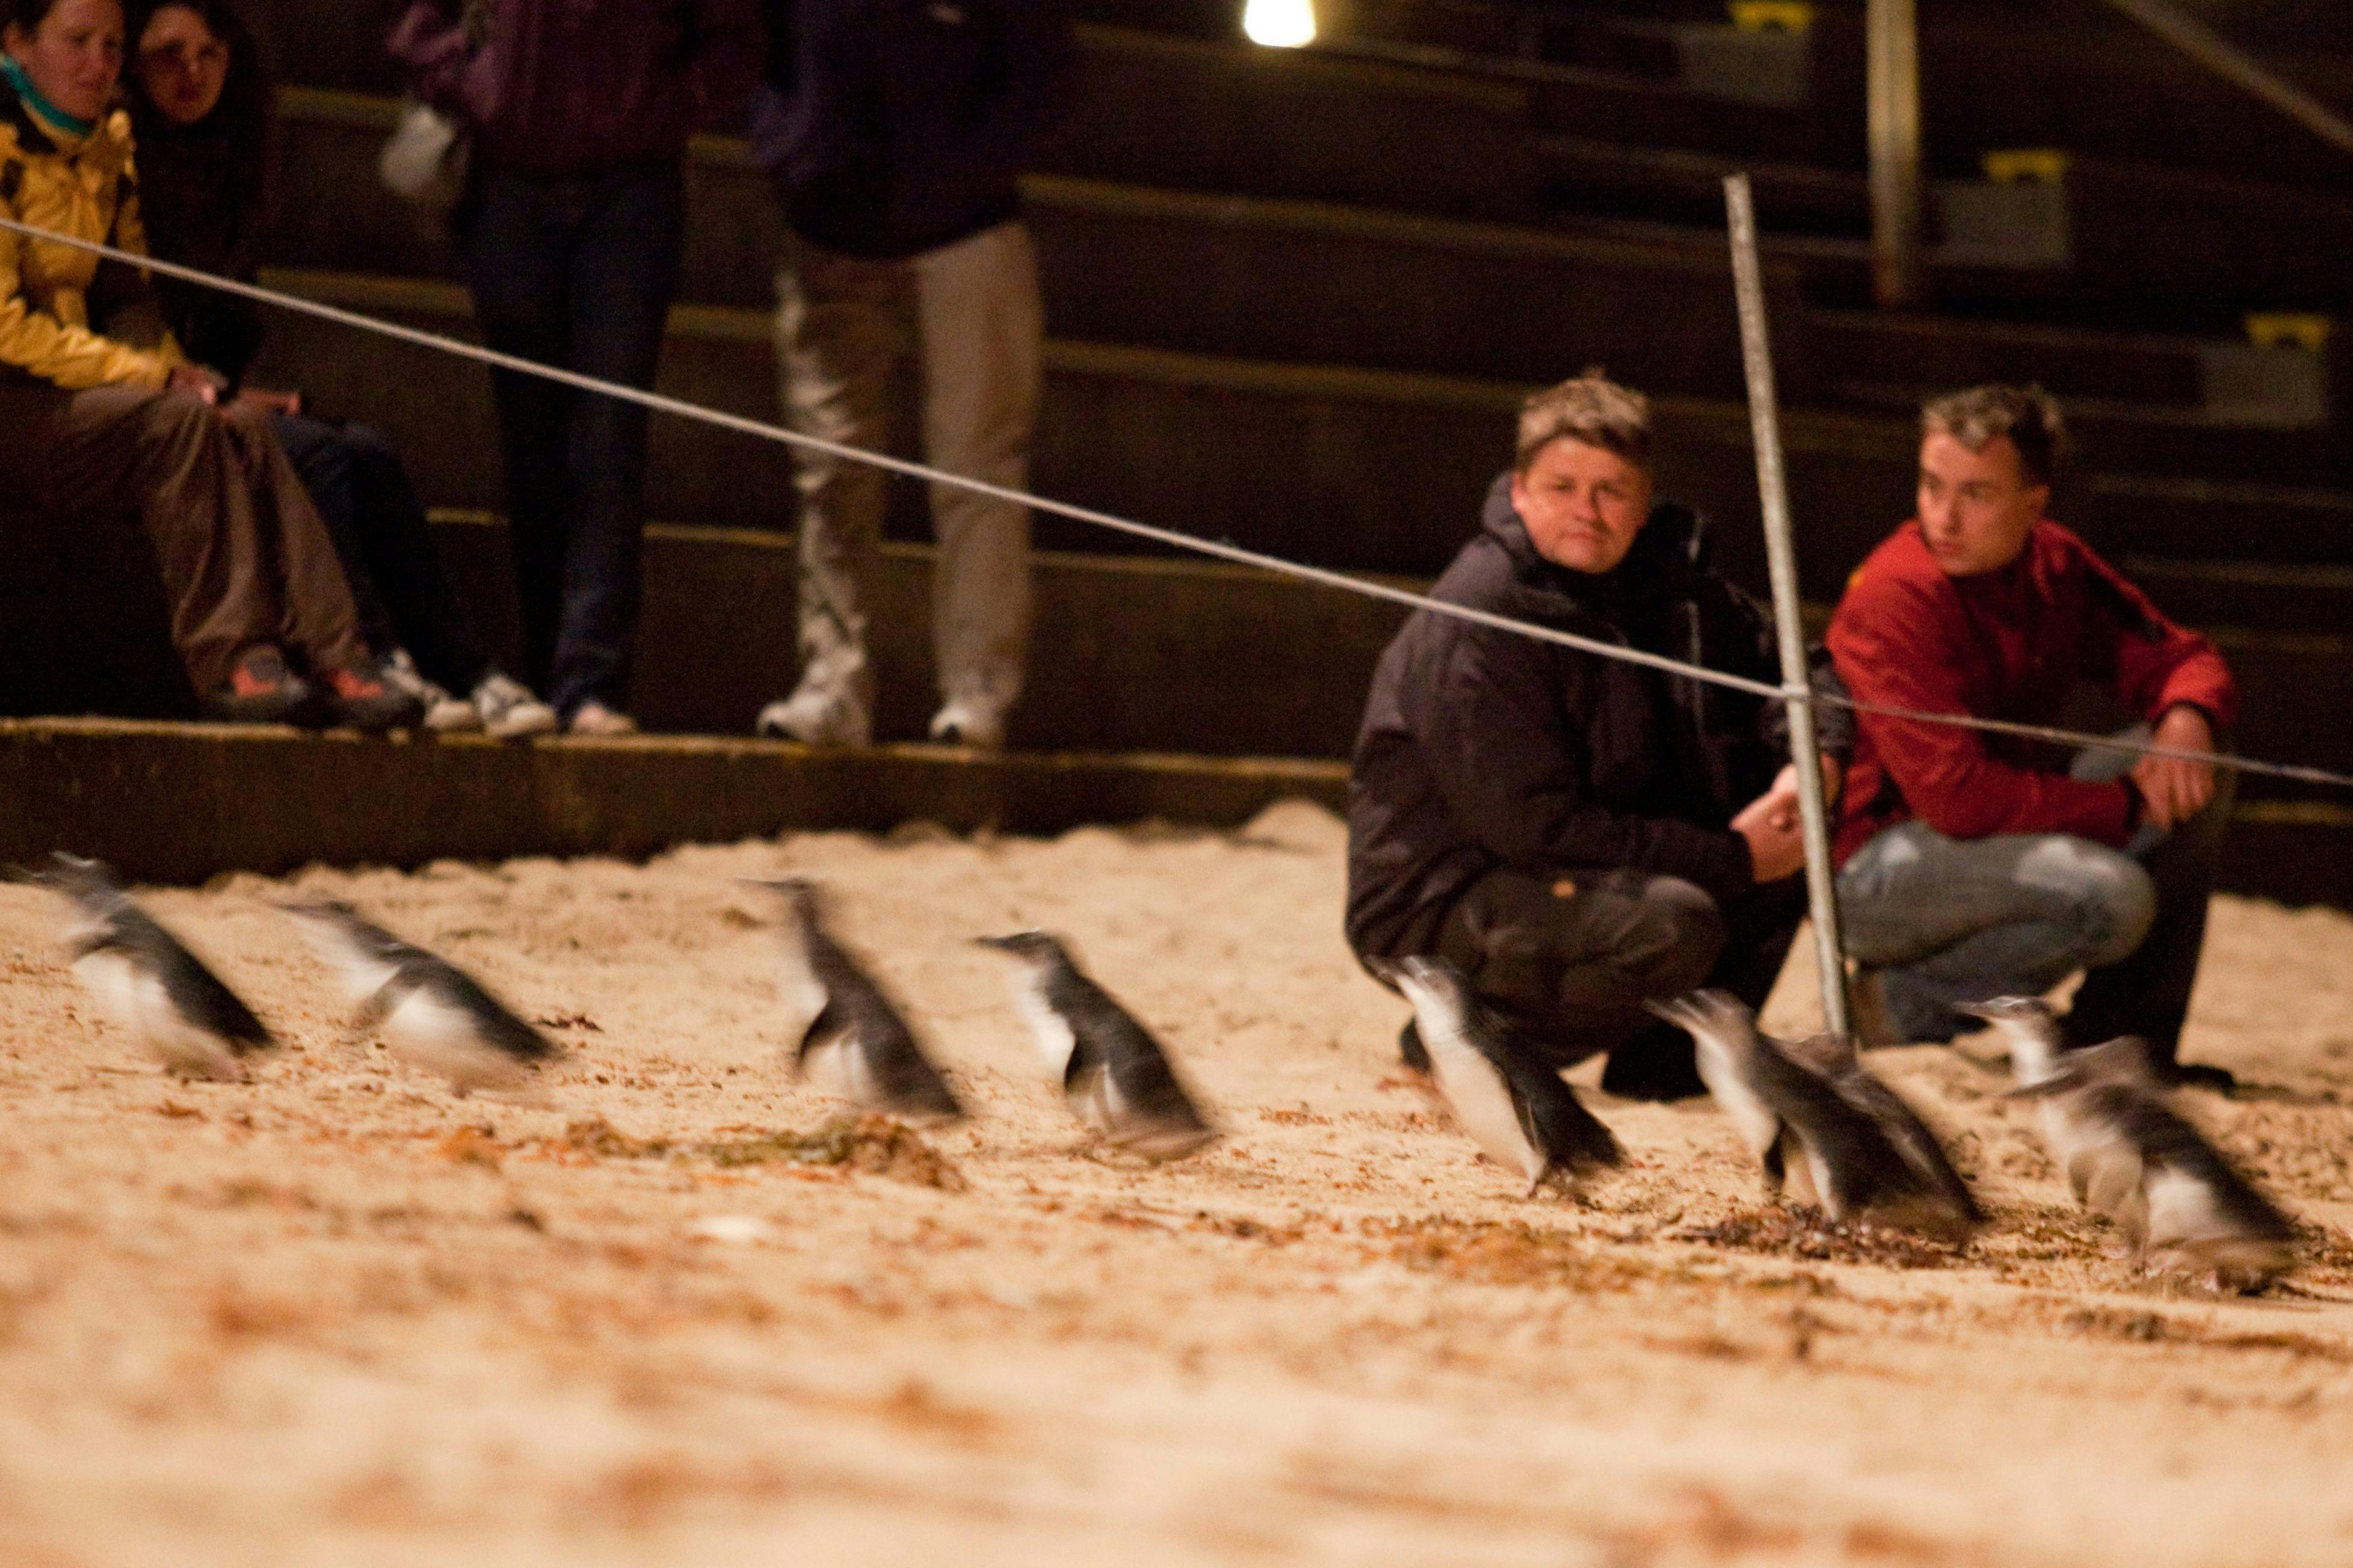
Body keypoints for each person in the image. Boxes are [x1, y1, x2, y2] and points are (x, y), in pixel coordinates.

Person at [1346, 373, 1852, 1100]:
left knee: (1787, 845)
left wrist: (1816, 764)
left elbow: (1797, 671)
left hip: (1574, 856)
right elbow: (1535, 828)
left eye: (1610, 491)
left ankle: (1663, 1073)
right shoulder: (1481, 616)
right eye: (1561, 487)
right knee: (1672, 923)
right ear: (1519, 491)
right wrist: (1734, 857)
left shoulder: (1668, 579)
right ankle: (1463, 1045)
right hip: (1444, 892)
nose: (1586, 512)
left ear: (1643, 502)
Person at [125, 0, 558, 738]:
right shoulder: (124, 160)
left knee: (367, 452)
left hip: (211, 386)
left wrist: (228, 384)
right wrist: (210, 388)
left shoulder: (231, 159)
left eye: (208, 54)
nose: (191, 73)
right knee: (317, 453)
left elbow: (229, 325)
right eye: (168, 55)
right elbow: (129, 318)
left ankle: (466, 670)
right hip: (154, 398)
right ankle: (370, 658)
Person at [0, 0, 417, 730]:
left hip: (78, 387)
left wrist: (184, 373)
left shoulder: (107, 143)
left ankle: (339, 655)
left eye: (111, 45)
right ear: (18, 44)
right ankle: (232, 661)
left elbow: (128, 299)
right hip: (16, 397)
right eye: (77, 43)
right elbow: (6, 328)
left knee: (239, 426)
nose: (99, 64)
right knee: (179, 426)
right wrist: (154, 381)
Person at [1828, 386, 2240, 1087]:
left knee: (2199, 764)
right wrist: (2124, 808)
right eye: (1932, 486)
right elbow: (1955, 798)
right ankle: (1901, 1006)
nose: (1943, 516)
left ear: (2033, 504)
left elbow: (2179, 657)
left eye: (1976, 494)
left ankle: (2122, 1041)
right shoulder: (1896, 593)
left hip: (1992, 825)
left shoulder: (2053, 563)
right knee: (2108, 897)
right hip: (1876, 866)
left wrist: (2185, 718)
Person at [389, 0, 762, 736]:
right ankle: (540, 669)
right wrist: (480, 86)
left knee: (610, 438)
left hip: (632, 193)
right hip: (507, 191)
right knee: (532, 441)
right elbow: (415, 23)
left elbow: (736, 38)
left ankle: (589, 681)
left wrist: (663, 106)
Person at [750, 0, 1075, 750]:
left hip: (967, 231)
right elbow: (751, 50)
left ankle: (977, 691)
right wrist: (793, 154)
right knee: (829, 471)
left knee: (977, 468)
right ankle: (831, 686)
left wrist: (957, 172)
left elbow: (1047, 77)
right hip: (829, 226)